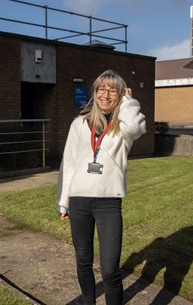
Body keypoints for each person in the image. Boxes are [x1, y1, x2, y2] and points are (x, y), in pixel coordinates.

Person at [57, 69, 146, 305]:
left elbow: (136, 128)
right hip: (79, 201)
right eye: (101, 89)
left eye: (113, 90)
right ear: (95, 92)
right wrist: (64, 201)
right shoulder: (78, 124)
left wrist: (128, 101)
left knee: (109, 269)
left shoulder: (122, 127)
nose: (106, 95)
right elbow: (70, 163)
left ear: (120, 94)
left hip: (108, 203)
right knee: (83, 262)